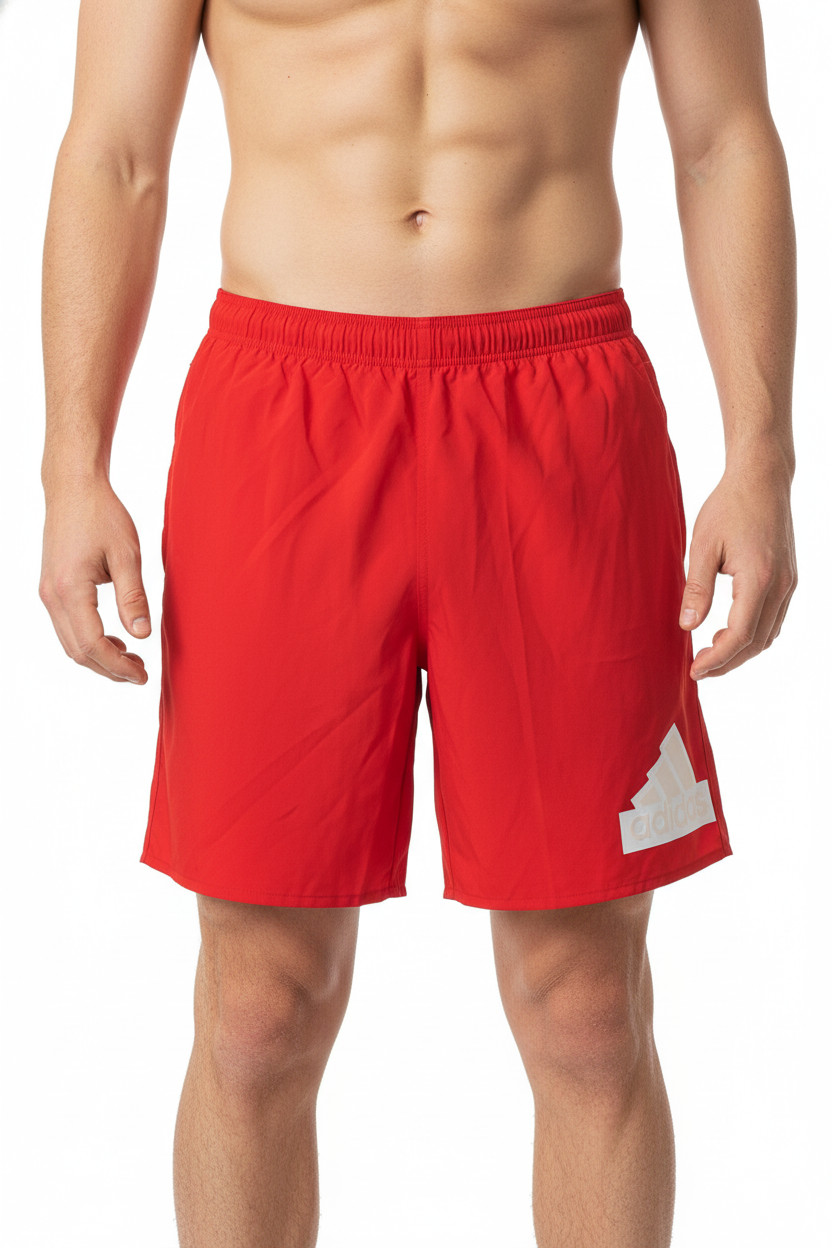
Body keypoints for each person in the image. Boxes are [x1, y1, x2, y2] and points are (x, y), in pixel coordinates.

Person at [37, 0, 797, 1244]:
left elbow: (723, 138)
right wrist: (73, 467)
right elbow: (115, 153)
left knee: (586, 1011)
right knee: (257, 1013)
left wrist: (759, 459)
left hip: (560, 416)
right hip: (284, 421)